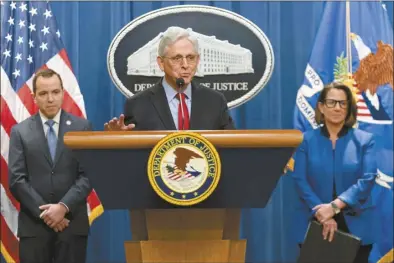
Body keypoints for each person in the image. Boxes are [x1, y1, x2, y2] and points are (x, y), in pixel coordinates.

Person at [8, 69, 92, 263]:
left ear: (63, 92)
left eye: (55, 92)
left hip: (72, 225)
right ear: (34, 97)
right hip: (34, 228)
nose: (50, 99)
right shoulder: (20, 132)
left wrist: (63, 207)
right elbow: (17, 179)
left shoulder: (82, 127)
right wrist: (48, 214)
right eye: (43, 94)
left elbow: (87, 175)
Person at [291, 82, 378, 263]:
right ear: (321, 107)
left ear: (349, 108)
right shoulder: (306, 140)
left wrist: (335, 207)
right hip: (315, 219)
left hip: (355, 222)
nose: (337, 107)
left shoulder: (364, 140)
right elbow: (300, 179)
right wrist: (322, 212)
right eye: (331, 102)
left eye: (343, 103)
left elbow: (367, 178)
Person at [104, 26, 234, 131]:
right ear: (161, 63)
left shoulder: (215, 101)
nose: (185, 65)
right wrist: (118, 138)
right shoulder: (138, 104)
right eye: (177, 58)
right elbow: (130, 154)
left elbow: (232, 147)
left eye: (190, 58)